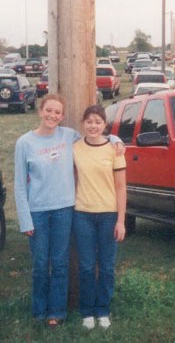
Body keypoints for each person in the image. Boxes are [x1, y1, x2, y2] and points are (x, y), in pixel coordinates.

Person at [14, 94, 123, 327]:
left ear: (62, 117)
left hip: (65, 210)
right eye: (48, 110)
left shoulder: (68, 137)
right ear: (40, 111)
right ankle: (39, 309)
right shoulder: (25, 143)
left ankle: (57, 312)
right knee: (41, 263)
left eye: (57, 112)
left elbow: (97, 136)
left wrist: (114, 138)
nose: (52, 115)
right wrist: (25, 220)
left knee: (61, 263)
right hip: (38, 213)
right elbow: (19, 184)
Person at [72, 104, 126, 330]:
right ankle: (87, 312)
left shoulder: (115, 149)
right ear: (83, 124)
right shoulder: (74, 148)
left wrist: (121, 220)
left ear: (105, 125)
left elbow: (121, 187)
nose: (93, 126)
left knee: (105, 266)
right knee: (85, 266)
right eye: (89, 121)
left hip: (108, 215)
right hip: (82, 214)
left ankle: (103, 309)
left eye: (98, 122)